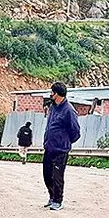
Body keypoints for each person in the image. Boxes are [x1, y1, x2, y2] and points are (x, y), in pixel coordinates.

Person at [42, 82, 80, 211]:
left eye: (52, 92)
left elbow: (75, 131)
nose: (50, 94)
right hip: (49, 147)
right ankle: (52, 197)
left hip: (60, 150)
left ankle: (58, 200)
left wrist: (65, 142)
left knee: (57, 176)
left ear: (57, 94)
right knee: (47, 175)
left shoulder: (69, 110)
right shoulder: (53, 107)